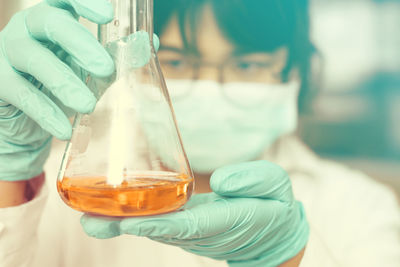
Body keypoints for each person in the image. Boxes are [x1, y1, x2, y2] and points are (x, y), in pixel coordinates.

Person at [0, 0, 399, 267]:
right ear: (144, 54)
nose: (212, 87)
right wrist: (10, 174)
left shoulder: (360, 207)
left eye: (246, 65)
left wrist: (292, 257)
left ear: (294, 71)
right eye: (175, 59)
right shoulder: (57, 194)